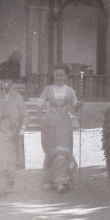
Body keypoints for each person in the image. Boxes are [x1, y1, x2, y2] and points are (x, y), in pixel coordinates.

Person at [37, 64, 82, 192]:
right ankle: (51, 179)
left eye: (61, 75)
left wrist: (79, 105)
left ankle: (62, 181)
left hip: (64, 122)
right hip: (50, 121)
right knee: (51, 150)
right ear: (54, 76)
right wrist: (40, 120)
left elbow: (74, 107)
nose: (59, 77)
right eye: (57, 75)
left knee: (63, 149)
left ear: (66, 76)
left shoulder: (70, 91)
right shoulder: (48, 89)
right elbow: (39, 105)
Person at [0, 55, 25, 195]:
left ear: (13, 82)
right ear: (1, 82)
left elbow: (25, 116)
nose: (7, 84)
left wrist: (22, 129)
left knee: (10, 160)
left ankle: (8, 187)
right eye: (4, 81)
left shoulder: (18, 98)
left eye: (9, 81)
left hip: (12, 133)